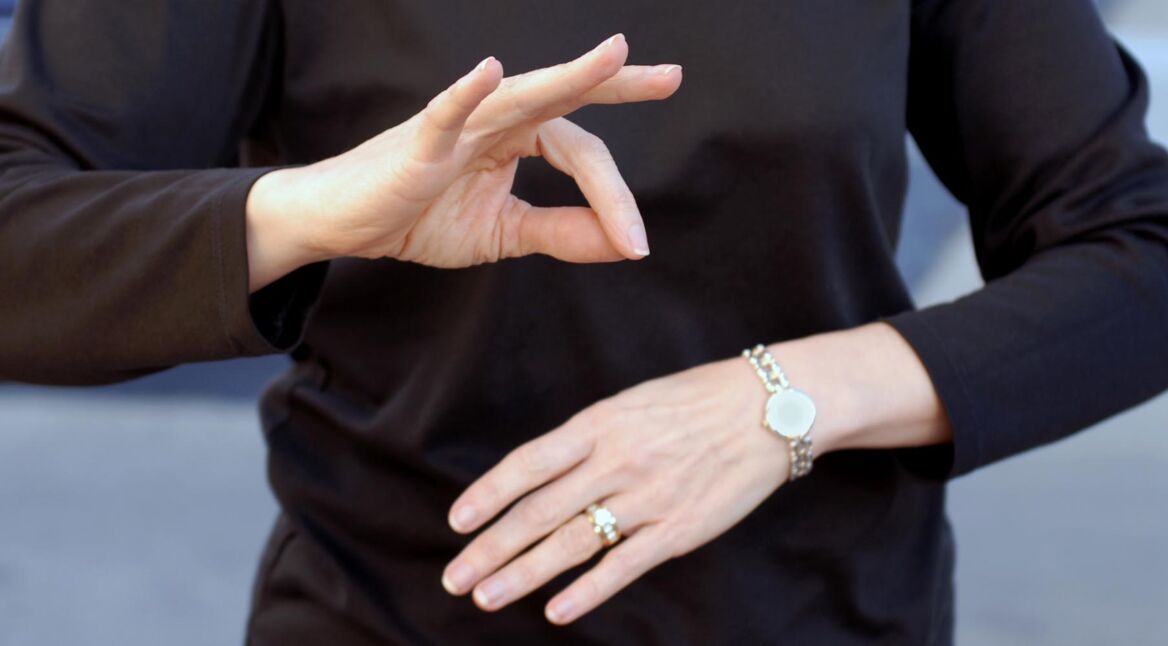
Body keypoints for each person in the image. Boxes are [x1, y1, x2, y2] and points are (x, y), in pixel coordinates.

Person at [1, 1, 1166, 644]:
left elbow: (1140, 246)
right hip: (390, 615)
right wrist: (317, 209)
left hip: (822, 619)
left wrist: (782, 401)